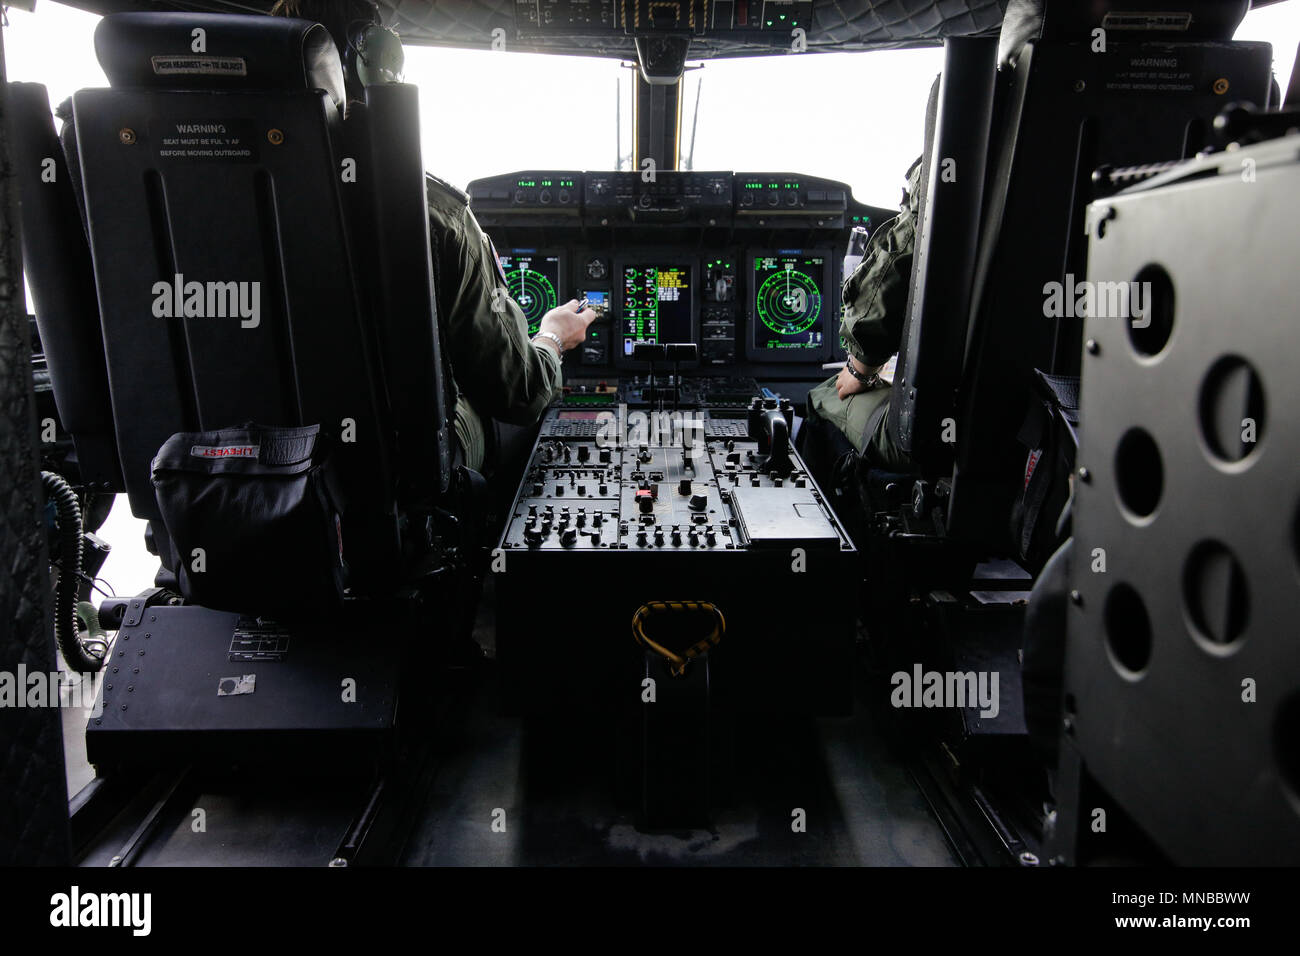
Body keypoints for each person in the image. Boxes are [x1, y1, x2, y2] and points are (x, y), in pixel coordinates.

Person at [270, 0, 594, 475]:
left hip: (216, 475)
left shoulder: (182, 197)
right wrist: (552, 338)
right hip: (387, 476)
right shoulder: (430, 213)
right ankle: (461, 540)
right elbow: (520, 391)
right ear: (378, 65)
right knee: (515, 415)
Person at [798, 155, 923, 491]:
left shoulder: (948, 158)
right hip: (1035, 429)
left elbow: (893, 271)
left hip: (930, 431)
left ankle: (838, 531)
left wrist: (859, 369)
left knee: (824, 395)